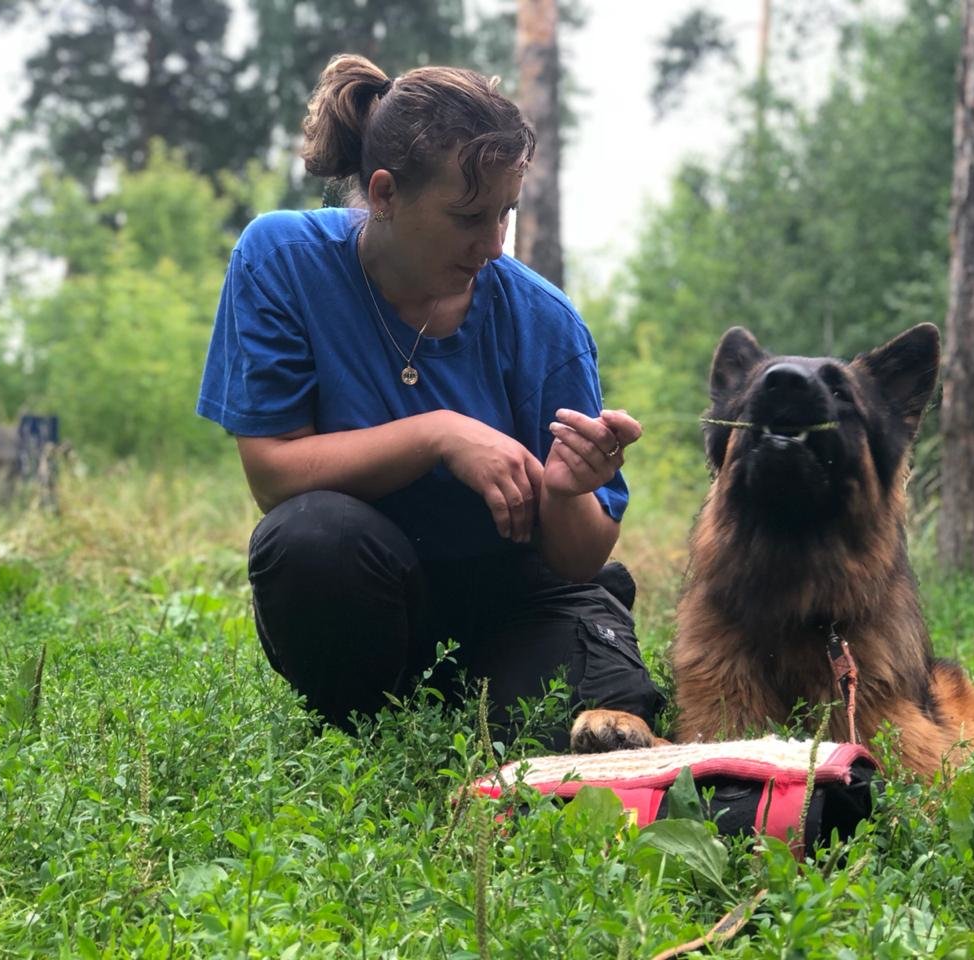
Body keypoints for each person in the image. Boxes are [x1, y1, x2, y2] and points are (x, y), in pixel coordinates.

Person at [197, 54, 663, 747]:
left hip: (520, 597)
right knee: (308, 538)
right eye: (469, 216)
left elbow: (577, 560)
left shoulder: (546, 322)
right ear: (384, 194)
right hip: (373, 590)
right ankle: (367, 729)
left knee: (589, 734)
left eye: (505, 212)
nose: (494, 245)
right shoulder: (282, 260)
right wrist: (438, 434)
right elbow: (274, 474)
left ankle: (538, 685)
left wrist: (567, 491)